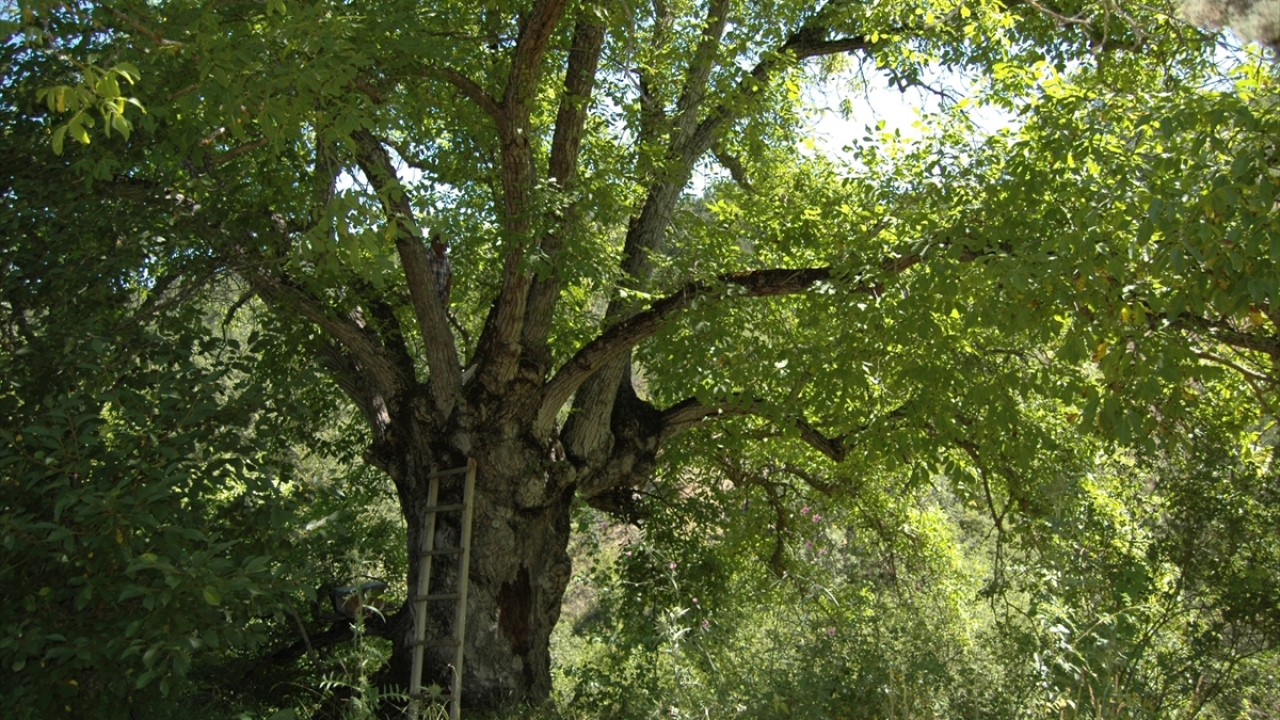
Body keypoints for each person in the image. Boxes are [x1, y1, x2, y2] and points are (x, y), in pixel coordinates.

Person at [428, 232, 452, 306]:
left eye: (445, 243)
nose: (442, 245)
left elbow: (449, 276)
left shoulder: (446, 260)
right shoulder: (426, 257)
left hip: (441, 301)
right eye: (439, 241)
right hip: (428, 298)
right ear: (433, 243)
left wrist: (447, 294)